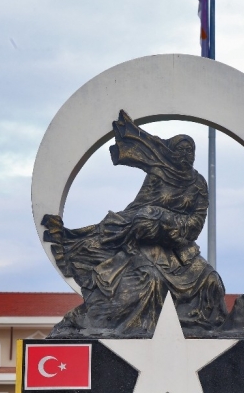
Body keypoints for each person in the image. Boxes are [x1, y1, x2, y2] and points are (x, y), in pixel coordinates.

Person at [43, 110, 228, 336]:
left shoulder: (198, 183)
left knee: (212, 280)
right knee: (151, 281)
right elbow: (140, 209)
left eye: (190, 150)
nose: (186, 154)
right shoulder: (158, 174)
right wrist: (148, 221)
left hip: (180, 251)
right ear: (172, 152)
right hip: (146, 247)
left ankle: (203, 329)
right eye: (181, 150)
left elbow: (196, 223)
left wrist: (163, 221)